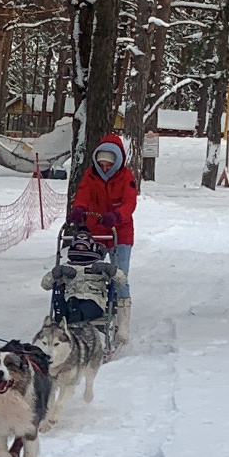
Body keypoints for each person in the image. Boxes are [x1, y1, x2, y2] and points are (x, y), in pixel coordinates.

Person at [69, 132, 137, 343]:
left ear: (117, 161)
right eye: (102, 164)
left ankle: (123, 319)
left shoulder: (126, 177)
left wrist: (117, 215)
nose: (105, 168)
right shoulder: (90, 176)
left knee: (119, 275)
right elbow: (82, 196)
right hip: (95, 232)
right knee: (91, 273)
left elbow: (129, 203)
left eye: (109, 164)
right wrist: (79, 209)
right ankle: (94, 308)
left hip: (120, 233)